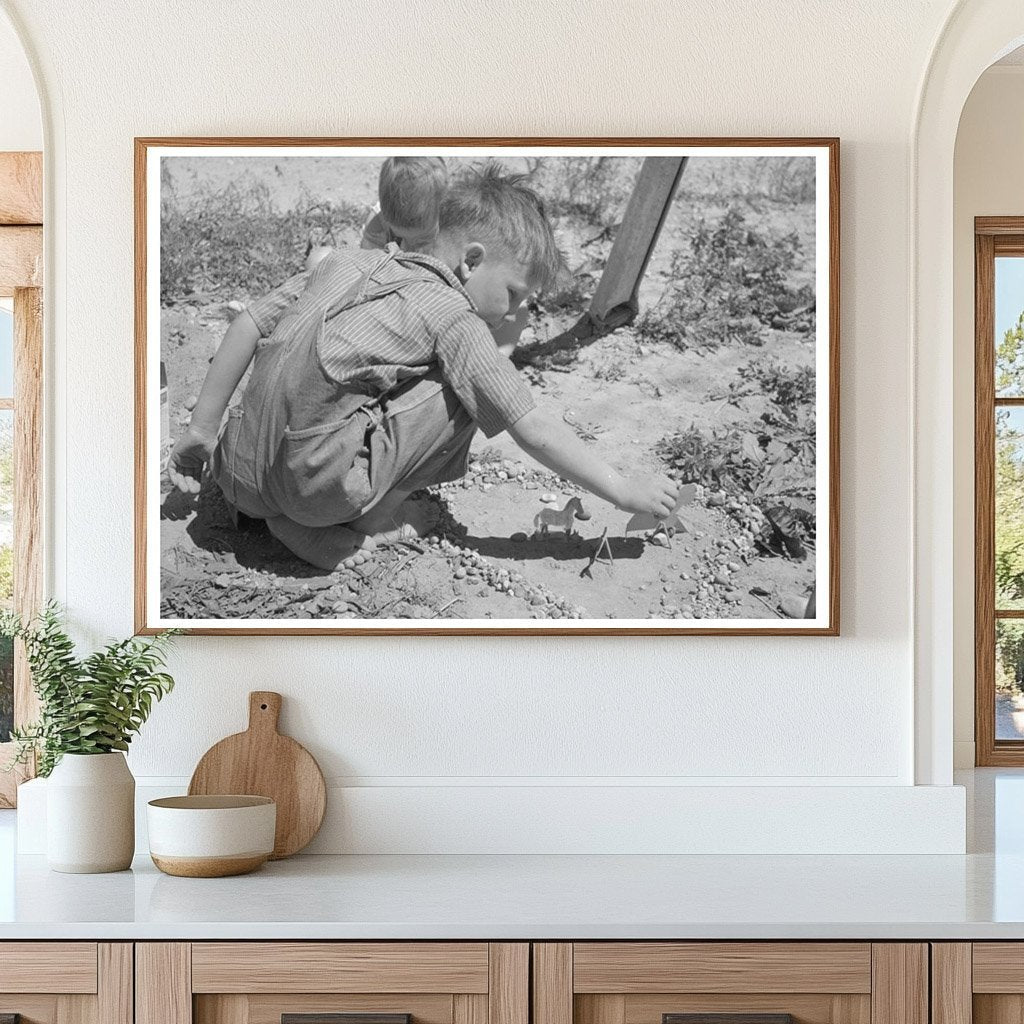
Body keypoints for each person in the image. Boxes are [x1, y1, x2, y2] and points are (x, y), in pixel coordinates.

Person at [167, 163, 678, 571]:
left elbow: (247, 326)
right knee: (475, 389)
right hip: (311, 495)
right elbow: (531, 428)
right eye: (515, 294)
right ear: (471, 262)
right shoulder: (451, 315)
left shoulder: (344, 262)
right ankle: (351, 523)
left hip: (232, 470)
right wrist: (622, 489)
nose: (516, 312)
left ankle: (274, 507)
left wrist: (201, 431)